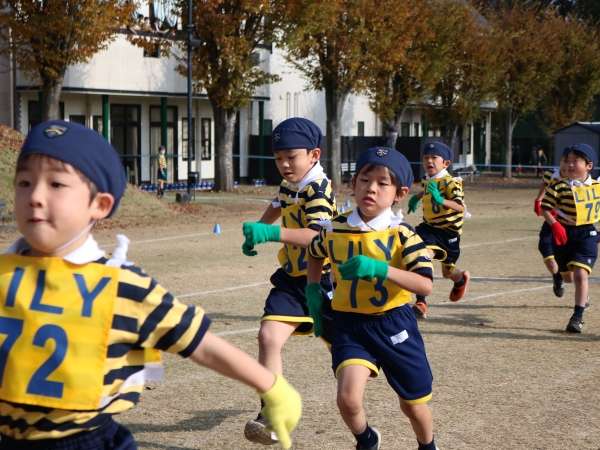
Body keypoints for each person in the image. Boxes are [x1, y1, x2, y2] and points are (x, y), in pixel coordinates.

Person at [0, 120, 301, 450]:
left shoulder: (120, 285)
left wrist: (272, 387)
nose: (35, 196)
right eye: (24, 182)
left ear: (99, 205)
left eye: (56, 184)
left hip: (90, 441)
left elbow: (197, 341)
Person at [306, 146, 437, 450]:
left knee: (412, 405)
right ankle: (366, 439)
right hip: (350, 326)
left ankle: (428, 446)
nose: (371, 189)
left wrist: (381, 269)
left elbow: (425, 285)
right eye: (365, 180)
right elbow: (314, 253)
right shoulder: (334, 228)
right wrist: (313, 291)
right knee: (347, 399)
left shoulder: (403, 234)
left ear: (400, 193)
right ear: (354, 184)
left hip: (394, 324)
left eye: (382, 183)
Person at [240, 117, 336, 445]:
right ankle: (271, 410)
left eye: (290, 157)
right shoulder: (290, 184)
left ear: (314, 155)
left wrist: (270, 233)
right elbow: (278, 204)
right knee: (268, 337)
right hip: (290, 281)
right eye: (278, 158)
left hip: (323, 282)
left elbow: (317, 236)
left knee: (349, 354)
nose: (283, 164)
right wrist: (257, 229)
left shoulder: (318, 188)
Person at [541, 143, 600, 333]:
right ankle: (559, 276)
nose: (571, 165)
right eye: (569, 161)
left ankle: (577, 316)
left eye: (576, 161)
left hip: (587, 234)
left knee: (581, 274)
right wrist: (555, 225)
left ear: (589, 166)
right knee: (567, 277)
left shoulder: (598, 187)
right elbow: (545, 207)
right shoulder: (559, 186)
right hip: (564, 234)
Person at [406, 141, 469, 319]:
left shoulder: (452, 182)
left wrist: (440, 200)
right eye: (426, 157)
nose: (429, 161)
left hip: (447, 234)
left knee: (448, 272)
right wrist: (416, 197)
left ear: (446, 163)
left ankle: (461, 279)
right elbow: (428, 188)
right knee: (419, 254)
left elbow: (460, 207)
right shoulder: (430, 179)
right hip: (428, 229)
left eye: (434, 157)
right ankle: (421, 302)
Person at [534, 157, 568, 297]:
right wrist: (538, 199)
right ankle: (557, 276)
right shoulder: (550, 174)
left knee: (573, 271)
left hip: (569, 223)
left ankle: (584, 296)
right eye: (565, 162)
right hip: (551, 220)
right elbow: (544, 184)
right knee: (544, 246)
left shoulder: (577, 181)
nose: (567, 167)